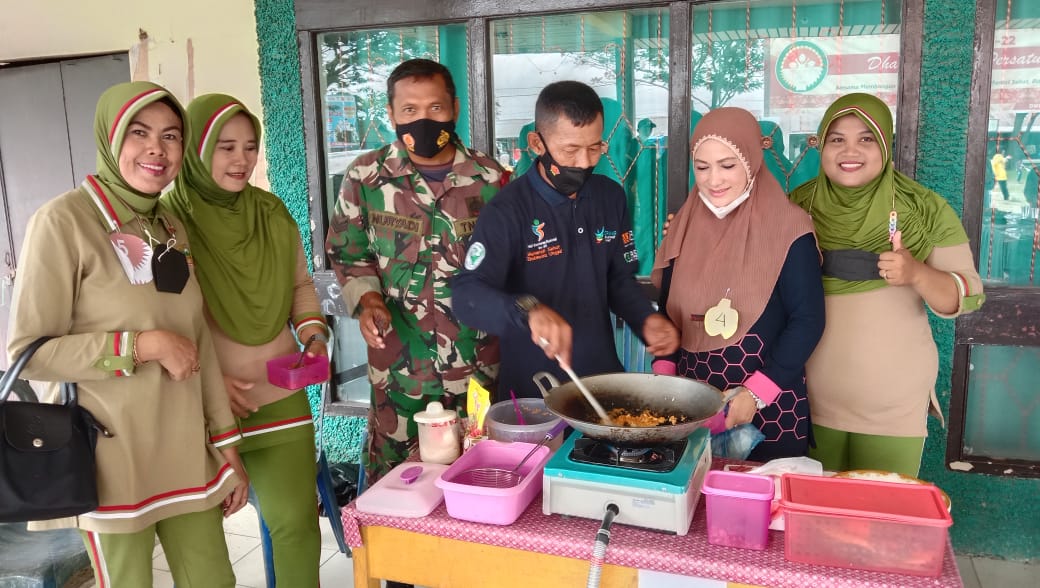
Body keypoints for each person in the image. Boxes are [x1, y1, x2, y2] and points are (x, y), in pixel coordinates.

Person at [6, 81, 248, 587]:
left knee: (213, 581)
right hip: (110, 458)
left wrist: (227, 449)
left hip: (186, 451)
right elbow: (30, 352)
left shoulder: (170, 228)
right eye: (139, 133)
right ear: (112, 140)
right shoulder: (63, 221)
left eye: (171, 136)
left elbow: (197, 340)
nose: (157, 149)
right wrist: (141, 346)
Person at [165, 94, 327, 585]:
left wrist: (313, 332)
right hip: (204, 407)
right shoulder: (170, 222)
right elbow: (166, 314)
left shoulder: (270, 212)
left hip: (279, 396)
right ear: (197, 149)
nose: (242, 160)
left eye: (250, 147)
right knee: (206, 547)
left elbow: (299, 284)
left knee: (296, 525)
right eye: (226, 147)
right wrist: (209, 386)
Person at [325, 59, 505, 484]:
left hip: (475, 368)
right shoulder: (366, 177)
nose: (423, 120)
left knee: (479, 477)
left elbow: (513, 265)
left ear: (455, 108)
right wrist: (368, 300)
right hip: (399, 372)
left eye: (435, 108)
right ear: (390, 114)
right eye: (409, 110)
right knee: (395, 486)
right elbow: (348, 254)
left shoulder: (492, 180)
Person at [790, 93, 985, 477]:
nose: (850, 151)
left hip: (891, 410)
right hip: (805, 401)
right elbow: (750, 267)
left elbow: (969, 294)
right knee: (811, 523)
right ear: (821, 144)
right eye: (836, 139)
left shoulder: (923, 208)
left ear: (885, 145)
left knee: (877, 526)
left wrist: (916, 274)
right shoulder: (796, 207)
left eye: (866, 139)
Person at [452, 80, 679, 400]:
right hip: (535, 394)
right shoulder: (507, 211)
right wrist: (527, 311)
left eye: (595, 147)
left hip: (604, 385)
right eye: (571, 149)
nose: (585, 162)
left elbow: (618, 280)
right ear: (537, 143)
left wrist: (646, 319)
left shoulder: (609, 197)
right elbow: (466, 294)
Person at [650, 108, 825, 461]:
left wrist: (756, 393)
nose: (714, 179)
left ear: (751, 161)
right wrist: (665, 381)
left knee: (760, 508)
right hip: (692, 408)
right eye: (702, 167)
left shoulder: (789, 228)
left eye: (728, 165)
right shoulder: (683, 226)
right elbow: (668, 312)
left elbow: (808, 320)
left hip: (770, 412)